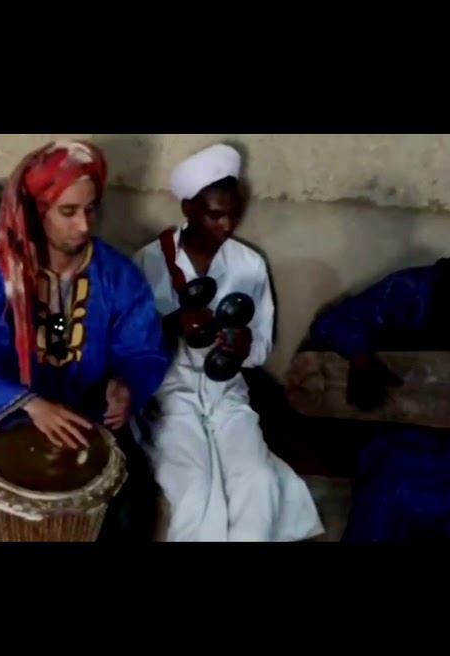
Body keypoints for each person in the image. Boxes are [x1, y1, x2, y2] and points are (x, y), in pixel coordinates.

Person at [0, 140, 170, 542]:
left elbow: (144, 351)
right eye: (68, 211)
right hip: (16, 420)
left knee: (132, 504)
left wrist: (126, 386)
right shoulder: (2, 283)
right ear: (37, 213)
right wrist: (29, 403)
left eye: (90, 208)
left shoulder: (118, 278)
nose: (84, 225)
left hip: (93, 422)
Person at [131, 143, 325, 542]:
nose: (226, 225)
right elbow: (129, 349)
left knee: (256, 481)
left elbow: (259, 351)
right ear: (187, 209)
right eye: (215, 214)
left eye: (234, 214)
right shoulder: (148, 262)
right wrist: (172, 326)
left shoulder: (247, 264)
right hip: (169, 396)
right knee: (196, 490)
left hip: (227, 394)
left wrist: (237, 344)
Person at [303, 256, 450, 541]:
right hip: (407, 445)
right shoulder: (421, 288)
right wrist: (360, 356)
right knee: (388, 493)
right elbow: (336, 322)